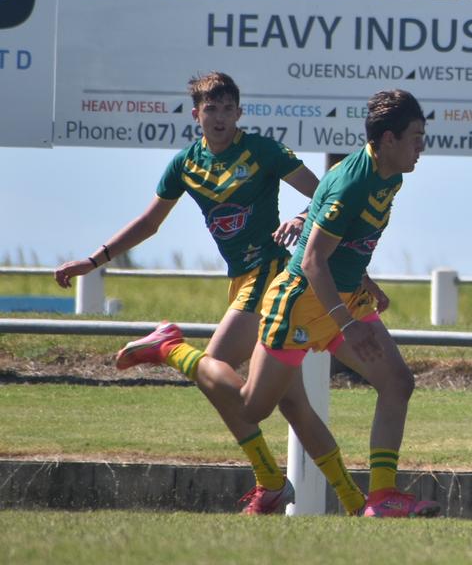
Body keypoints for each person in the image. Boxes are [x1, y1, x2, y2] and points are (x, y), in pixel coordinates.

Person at [53, 72, 363, 514]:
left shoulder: (262, 150)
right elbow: (149, 223)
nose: (219, 117)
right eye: (210, 109)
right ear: (196, 114)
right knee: (294, 405)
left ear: (239, 112)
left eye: (227, 108)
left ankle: (173, 351)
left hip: (271, 275)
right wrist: (94, 259)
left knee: (213, 366)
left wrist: (298, 216)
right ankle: (353, 502)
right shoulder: (185, 164)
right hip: (241, 280)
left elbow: (323, 195)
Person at [239, 88, 438, 518]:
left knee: (398, 382)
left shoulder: (392, 175)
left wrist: (366, 282)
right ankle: (172, 349)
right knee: (252, 408)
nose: (422, 146)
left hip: (344, 297)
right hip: (303, 302)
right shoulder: (353, 182)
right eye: (416, 137)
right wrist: (347, 324)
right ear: (388, 139)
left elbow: (348, 243)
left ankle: (381, 496)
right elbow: (312, 261)